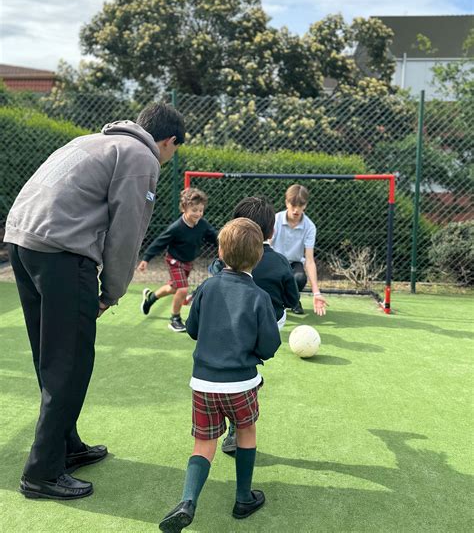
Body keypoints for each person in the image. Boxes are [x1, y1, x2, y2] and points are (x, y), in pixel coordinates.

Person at [4, 102, 185, 500]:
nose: (169, 158)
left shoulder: (92, 141)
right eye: (173, 150)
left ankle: (65, 446)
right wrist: (112, 291)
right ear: (168, 141)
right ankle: (42, 473)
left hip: (22, 243)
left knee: (51, 355)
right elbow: (127, 230)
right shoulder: (142, 156)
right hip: (63, 254)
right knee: (70, 361)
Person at [158, 218, 281, 532]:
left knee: (203, 444)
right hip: (241, 384)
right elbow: (269, 346)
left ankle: (187, 501)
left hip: (203, 384)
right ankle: (243, 498)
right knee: (246, 432)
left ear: (221, 253)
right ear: (259, 257)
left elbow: (194, 330)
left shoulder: (207, 287)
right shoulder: (259, 297)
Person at [208, 196, 299, 454]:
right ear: (271, 231)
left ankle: (231, 422)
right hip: (269, 325)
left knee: (237, 359)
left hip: (232, 324)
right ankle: (240, 419)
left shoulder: (221, 263)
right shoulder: (280, 261)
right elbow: (292, 300)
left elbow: (215, 278)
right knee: (247, 368)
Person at [137, 187, 217, 332]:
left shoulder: (202, 225)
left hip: (187, 262)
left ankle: (151, 298)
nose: (198, 213)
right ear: (184, 208)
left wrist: (226, 245)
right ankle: (175, 319)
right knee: (183, 289)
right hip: (174, 261)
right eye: (194, 210)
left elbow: (215, 237)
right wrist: (146, 259)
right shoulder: (176, 228)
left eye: (200, 210)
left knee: (174, 288)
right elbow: (159, 242)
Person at [272, 184, 327, 316]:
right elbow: (265, 247)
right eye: (293, 205)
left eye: (300, 206)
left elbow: (309, 260)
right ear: (286, 203)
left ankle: (292, 300)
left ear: (305, 205)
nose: (296, 210)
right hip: (275, 261)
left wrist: (316, 293)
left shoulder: (310, 227)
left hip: (294, 263)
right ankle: (275, 301)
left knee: (300, 278)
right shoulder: (275, 220)